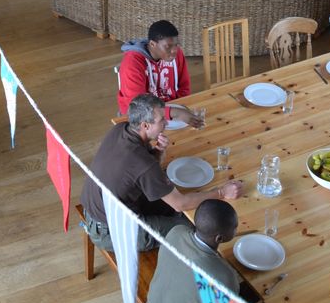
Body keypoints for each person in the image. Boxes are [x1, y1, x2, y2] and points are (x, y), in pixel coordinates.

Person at [81, 94, 243, 253]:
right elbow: (181, 203)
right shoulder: (143, 164)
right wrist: (222, 192)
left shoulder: (120, 129)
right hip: (109, 231)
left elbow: (139, 171)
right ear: (145, 125)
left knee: (182, 210)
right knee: (194, 230)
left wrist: (158, 152)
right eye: (161, 120)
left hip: (101, 209)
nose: (166, 122)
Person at [145, 199, 293, 303]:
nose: (237, 229)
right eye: (235, 227)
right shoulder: (221, 276)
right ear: (220, 238)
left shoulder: (176, 233)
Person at [118, 19, 200, 125]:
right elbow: (138, 108)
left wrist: (182, 108)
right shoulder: (132, 62)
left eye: (176, 45)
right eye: (168, 46)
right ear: (152, 44)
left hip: (172, 110)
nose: (174, 50)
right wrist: (172, 113)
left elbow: (184, 87)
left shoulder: (177, 54)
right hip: (140, 118)